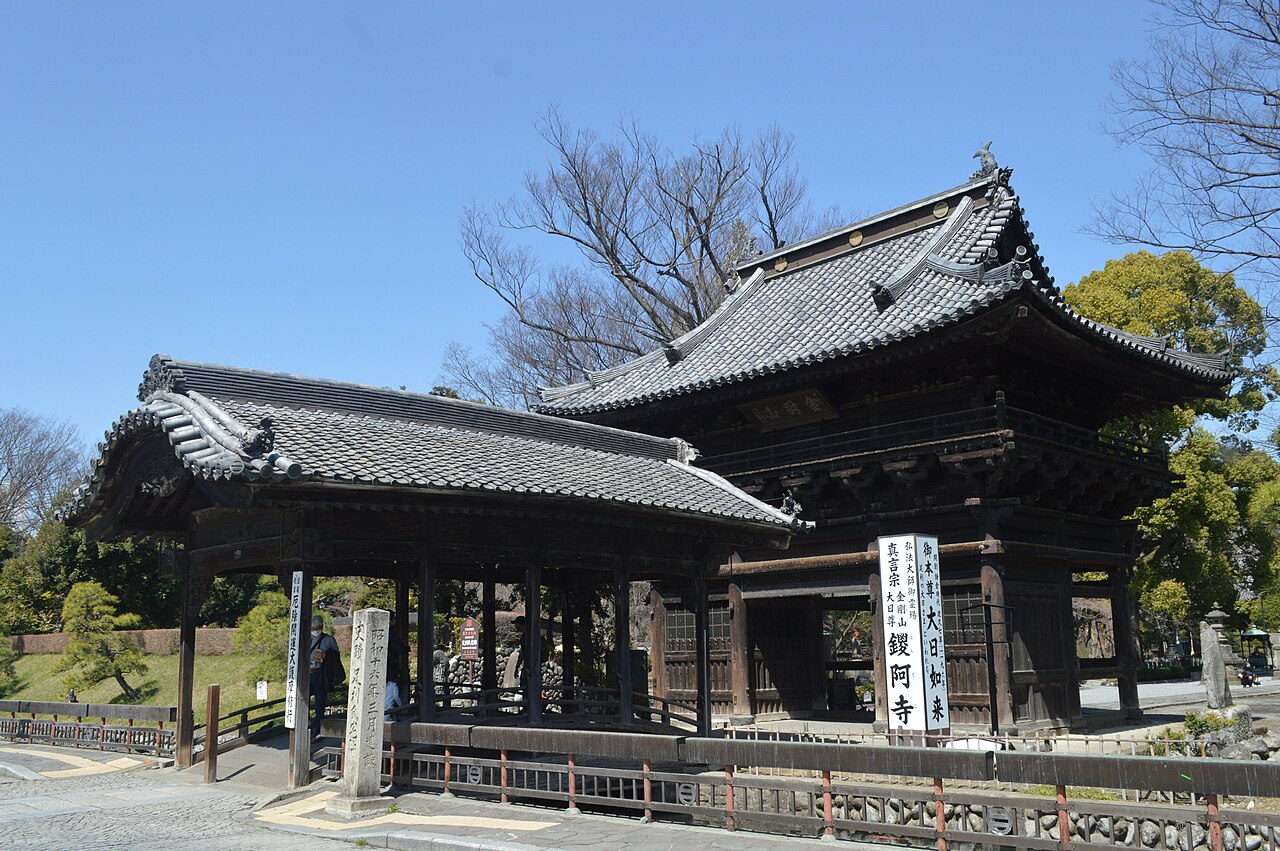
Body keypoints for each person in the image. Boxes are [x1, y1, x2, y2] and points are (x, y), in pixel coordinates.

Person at [308, 614, 340, 739]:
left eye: (318, 626)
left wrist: (326, 656)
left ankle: (318, 730)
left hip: (321, 675)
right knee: (303, 702)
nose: (316, 629)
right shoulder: (306, 639)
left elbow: (336, 658)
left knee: (319, 704)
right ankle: (308, 726)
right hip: (307, 675)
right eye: (313, 627)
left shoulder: (329, 639)